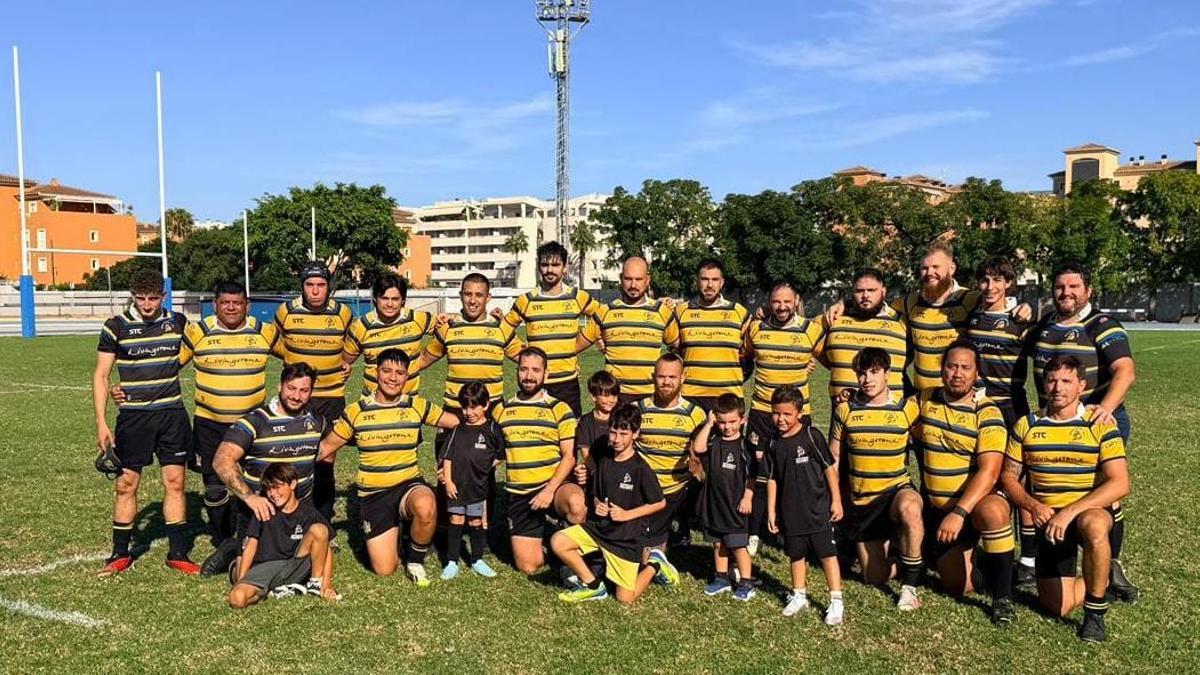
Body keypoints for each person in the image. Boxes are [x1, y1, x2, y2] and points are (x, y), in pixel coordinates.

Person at [1029, 260, 1138, 602]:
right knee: (1050, 487)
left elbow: (1125, 371)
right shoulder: (1046, 324)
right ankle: (1035, 561)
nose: (1066, 293)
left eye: (1074, 287)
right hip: (1055, 423)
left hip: (1097, 423)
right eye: (1060, 287)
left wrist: (1105, 408)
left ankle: (1111, 567)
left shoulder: (1101, 324)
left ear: (1088, 290)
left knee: (1105, 495)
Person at [1000, 355, 1130, 642]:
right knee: (1056, 607)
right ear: (1044, 385)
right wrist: (1033, 505)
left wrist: (1069, 512)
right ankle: (1103, 573)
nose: (1058, 387)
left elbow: (1120, 483)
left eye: (1067, 381)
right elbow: (1008, 478)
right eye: (1052, 380)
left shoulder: (1100, 424)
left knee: (1095, 524)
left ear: (1081, 386)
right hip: (1048, 521)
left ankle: (1095, 615)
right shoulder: (1027, 425)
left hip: (1085, 513)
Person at [318, 349, 459, 584]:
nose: (393, 378)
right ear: (376, 373)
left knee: (425, 505)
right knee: (385, 569)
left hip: (407, 485)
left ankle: (415, 560)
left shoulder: (416, 405)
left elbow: (457, 424)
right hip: (374, 494)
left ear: (406, 377)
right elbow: (325, 448)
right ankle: (394, 532)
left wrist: (447, 460)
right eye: (387, 371)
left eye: (400, 373)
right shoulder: (357, 411)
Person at [93, 269, 197, 576]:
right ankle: (119, 553)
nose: (147, 304)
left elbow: (194, 351)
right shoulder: (115, 326)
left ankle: (177, 554)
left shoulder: (178, 322)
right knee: (126, 484)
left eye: (153, 298)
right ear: (133, 296)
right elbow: (101, 375)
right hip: (134, 418)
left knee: (176, 483)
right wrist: (102, 422)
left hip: (172, 415)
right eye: (141, 298)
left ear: (163, 297)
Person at [909, 341, 1017, 625]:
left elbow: (990, 472)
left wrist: (959, 514)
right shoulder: (924, 399)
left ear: (976, 373)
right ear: (942, 369)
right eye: (952, 366)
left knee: (993, 511)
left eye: (965, 368)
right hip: (939, 511)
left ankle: (1003, 597)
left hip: (973, 507)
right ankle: (983, 562)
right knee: (957, 587)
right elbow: (893, 418)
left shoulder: (988, 412)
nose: (957, 373)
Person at [826, 347, 924, 608]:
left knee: (911, 507)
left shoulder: (907, 409)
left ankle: (910, 587)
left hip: (895, 490)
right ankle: (904, 555)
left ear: (888, 374)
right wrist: (835, 498)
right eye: (861, 373)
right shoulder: (845, 410)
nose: (867, 379)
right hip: (862, 503)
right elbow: (833, 458)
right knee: (873, 577)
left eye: (874, 372)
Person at [551, 404, 673, 604]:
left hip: (626, 539)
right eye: (613, 432)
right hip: (600, 530)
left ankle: (655, 565)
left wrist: (627, 515)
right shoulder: (605, 461)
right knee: (558, 541)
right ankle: (593, 586)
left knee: (625, 599)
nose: (616, 439)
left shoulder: (640, 468)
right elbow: (598, 494)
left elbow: (659, 503)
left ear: (635, 434)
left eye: (623, 433)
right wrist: (598, 504)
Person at [743, 281, 826, 555]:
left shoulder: (811, 330)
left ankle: (788, 529)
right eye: (776, 301)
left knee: (794, 474)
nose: (781, 306)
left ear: (796, 301)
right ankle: (754, 531)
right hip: (762, 413)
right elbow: (746, 355)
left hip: (797, 417)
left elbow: (826, 357)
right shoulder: (756, 328)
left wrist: (811, 361)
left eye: (787, 301)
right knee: (758, 473)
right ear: (769, 301)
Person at [492, 347, 587, 575]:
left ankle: (573, 547)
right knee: (528, 566)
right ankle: (551, 545)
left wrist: (549, 490)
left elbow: (569, 456)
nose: (529, 375)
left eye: (535, 370)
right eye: (524, 369)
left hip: (554, 488)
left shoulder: (559, 408)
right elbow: (493, 455)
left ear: (546, 375)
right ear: (516, 372)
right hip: (520, 493)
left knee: (576, 504)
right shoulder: (502, 410)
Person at [212, 363, 328, 548]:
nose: (297, 396)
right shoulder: (255, 422)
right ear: (280, 386)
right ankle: (231, 554)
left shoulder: (317, 421)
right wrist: (250, 498)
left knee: (303, 567)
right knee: (253, 571)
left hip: (300, 511)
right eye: (291, 388)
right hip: (260, 511)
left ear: (311, 392)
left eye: (304, 390)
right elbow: (221, 460)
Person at [272, 261, 353, 523]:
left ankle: (323, 523)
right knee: (293, 458)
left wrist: (345, 363)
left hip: (331, 397)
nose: (315, 291)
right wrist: (291, 362)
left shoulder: (343, 313)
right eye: (310, 285)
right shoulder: (286, 312)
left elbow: (351, 346)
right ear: (302, 286)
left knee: (326, 460)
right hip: (297, 398)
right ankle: (291, 519)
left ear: (329, 287)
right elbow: (274, 342)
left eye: (321, 285)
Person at [762, 386, 844, 625]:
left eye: (787, 414)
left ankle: (836, 600)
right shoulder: (772, 443)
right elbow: (772, 479)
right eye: (776, 413)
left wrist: (836, 500)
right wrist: (771, 511)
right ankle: (799, 595)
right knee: (795, 555)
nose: (781, 419)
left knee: (827, 555)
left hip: (818, 509)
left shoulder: (811, 436)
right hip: (790, 512)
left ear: (799, 412)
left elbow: (829, 468)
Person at [498, 241, 599, 415]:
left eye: (555, 265)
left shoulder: (577, 297)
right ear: (539, 267)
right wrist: (523, 358)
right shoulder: (526, 301)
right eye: (545, 265)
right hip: (536, 383)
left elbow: (604, 317)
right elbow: (503, 332)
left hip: (568, 384)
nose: (550, 270)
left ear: (565, 267)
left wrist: (582, 344)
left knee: (570, 435)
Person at [412, 272, 523, 417]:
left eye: (479, 295)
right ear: (461, 295)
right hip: (456, 409)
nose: (472, 300)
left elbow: (528, 359)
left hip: (490, 410)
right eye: (468, 294)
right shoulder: (448, 327)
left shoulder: (501, 328)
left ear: (488, 297)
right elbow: (424, 359)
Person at [227, 463, 337, 609]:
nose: (273, 493)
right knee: (237, 599)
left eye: (277, 487)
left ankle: (314, 584)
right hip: (265, 567)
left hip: (294, 565)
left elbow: (326, 548)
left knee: (320, 529)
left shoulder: (309, 512)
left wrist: (327, 584)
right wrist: (241, 580)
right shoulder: (264, 510)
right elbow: (251, 545)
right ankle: (271, 590)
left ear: (292, 484)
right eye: (268, 489)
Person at [636, 353, 707, 569]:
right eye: (661, 376)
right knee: (640, 560)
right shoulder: (637, 409)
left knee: (650, 561)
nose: (666, 382)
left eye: (672, 377)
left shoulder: (695, 414)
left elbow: (702, 459)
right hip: (643, 493)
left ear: (682, 378)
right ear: (653, 377)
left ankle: (682, 525)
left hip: (677, 490)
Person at [576, 257, 680, 406]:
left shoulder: (661, 311)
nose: (633, 285)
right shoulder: (605, 312)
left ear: (647, 279)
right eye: (628, 279)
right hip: (615, 397)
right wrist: (572, 363)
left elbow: (678, 347)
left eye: (638, 279)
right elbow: (574, 347)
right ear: (620, 279)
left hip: (651, 397)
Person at [691, 394, 757, 600]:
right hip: (714, 504)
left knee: (737, 544)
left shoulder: (746, 447)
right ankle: (721, 578)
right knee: (718, 543)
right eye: (722, 422)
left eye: (732, 422)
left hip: (735, 506)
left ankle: (746, 582)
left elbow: (752, 476)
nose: (727, 427)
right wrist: (709, 424)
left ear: (742, 419)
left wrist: (747, 497)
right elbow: (698, 448)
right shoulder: (715, 441)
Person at [440, 381, 505, 580]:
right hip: (457, 487)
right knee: (456, 519)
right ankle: (452, 562)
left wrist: (486, 467)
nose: (469, 412)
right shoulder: (458, 430)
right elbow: (447, 457)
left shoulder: (493, 429)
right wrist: (449, 482)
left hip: (478, 487)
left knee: (476, 520)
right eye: (465, 407)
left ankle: (477, 560)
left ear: (485, 405)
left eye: (474, 406)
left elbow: (501, 454)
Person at [813, 268, 909, 401]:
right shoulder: (834, 318)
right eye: (859, 291)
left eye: (871, 290)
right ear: (852, 293)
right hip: (843, 414)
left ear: (883, 291)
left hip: (890, 415)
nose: (865, 296)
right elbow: (805, 341)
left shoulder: (902, 322)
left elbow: (912, 357)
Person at [675, 258, 750, 413]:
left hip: (729, 396)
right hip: (691, 395)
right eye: (704, 279)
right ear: (697, 282)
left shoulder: (739, 312)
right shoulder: (681, 311)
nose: (709, 285)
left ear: (721, 282)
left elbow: (754, 350)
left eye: (714, 279)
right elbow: (673, 348)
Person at [965, 256, 1033, 427]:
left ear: (1008, 283)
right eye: (984, 281)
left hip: (1010, 406)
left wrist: (1030, 306)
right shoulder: (972, 315)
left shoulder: (1020, 319)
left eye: (997, 280)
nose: (990, 287)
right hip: (977, 404)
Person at [342, 273, 434, 397]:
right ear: (375, 299)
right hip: (372, 406)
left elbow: (446, 331)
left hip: (408, 405)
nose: (389, 304)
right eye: (384, 298)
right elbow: (344, 360)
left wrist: (424, 360)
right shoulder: (361, 326)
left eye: (395, 299)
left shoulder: (417, 319)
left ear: (403, 301)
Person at [572, 370, 620, 489]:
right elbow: (585, 452)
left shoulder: (620, 418)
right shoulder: (586, 422)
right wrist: (595, 472)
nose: (611, 400)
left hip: (619, 470)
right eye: (605, 395)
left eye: (614, 395)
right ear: (593, 396)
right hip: (596, 472)